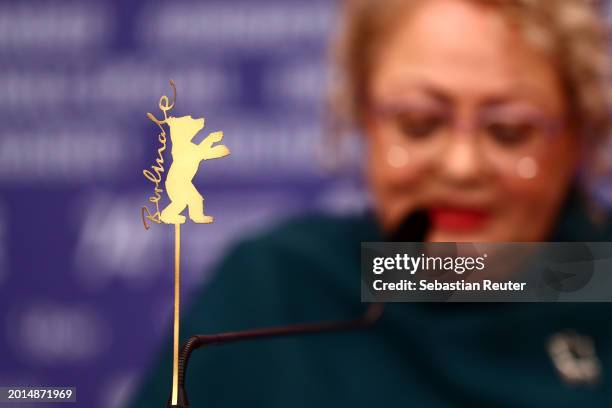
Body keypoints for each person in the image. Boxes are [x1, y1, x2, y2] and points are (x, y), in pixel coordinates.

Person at [130, 0, 612, 406]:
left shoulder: (598, 274)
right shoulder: (280, 289)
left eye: (510, 130)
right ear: (364, 116)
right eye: (418, 123)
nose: (462, 166)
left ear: (579, 133)